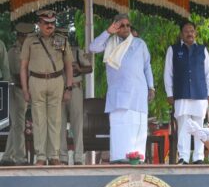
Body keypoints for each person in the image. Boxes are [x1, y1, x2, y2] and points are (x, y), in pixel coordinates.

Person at [90, 14, 155, 163]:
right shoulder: (110, 42)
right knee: (120, 127)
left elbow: (147, 67)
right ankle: (120, 158)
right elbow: (92, 47)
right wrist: (108, 32)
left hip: (138, 94)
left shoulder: (140, 44)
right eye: (121, 25)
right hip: (118, 94)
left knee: (137, 127)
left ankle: (137, 159)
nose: (125, 28)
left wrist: (151, 87)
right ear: (115, 27)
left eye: (128, 25)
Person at [20, 9, 74, 166]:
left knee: (55, 120)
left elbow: (68, 65)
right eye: (46, 23)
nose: (50, 26)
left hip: (56, 80)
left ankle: (54, 155)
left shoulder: (61, 39)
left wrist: (68, 87)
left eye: (52, 23)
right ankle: (41, 156)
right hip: (36, 81)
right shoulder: (30, 40)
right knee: (38, 120)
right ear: (39, 24)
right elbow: (23, 66)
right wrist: (25, 89)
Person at [164, 20, 209, 164]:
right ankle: (183, 157)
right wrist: (169, 93)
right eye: (186, 31)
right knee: (183, 126)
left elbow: (208, 73)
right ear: (181, 34)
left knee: (199, 127)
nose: (189, 34)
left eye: (192, 31)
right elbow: (168, 73)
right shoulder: (173, 50)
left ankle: (198, 157)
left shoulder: (202, 50)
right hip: (181, 94)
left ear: (195, 33)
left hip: (200, 93)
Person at [1, 23, 34, 166]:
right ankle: (21, 158)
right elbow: (11, 74)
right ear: (19, 36)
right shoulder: (13, 52)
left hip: (29, 90)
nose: (26, 38)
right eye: (24, 36)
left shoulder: (33, 49)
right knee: (19, 125)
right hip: (16, 90)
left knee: (16, 125)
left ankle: (7, 156)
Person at [58, 28, 92, 165]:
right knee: (59, 125)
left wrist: (79, 68)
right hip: (58, 91)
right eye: (59, 36)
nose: (61, 39)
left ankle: (78, 157)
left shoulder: (76, 51)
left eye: (64, 36)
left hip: (75, 89)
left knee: (77, 124)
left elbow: (89, 68)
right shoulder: (52, 52)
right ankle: (62, 157)